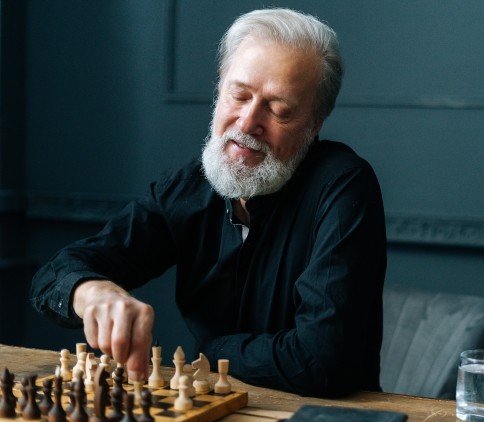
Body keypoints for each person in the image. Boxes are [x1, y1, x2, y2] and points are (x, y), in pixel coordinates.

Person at [29, 8, 386, 397]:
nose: (248, 123)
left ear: (314, 125)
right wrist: (93, 291)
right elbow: (52, 277)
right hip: (212, 414)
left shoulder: (344, 186)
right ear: (219, 91)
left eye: (278, 109)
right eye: (239, 94)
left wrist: (214, 351)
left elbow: (319, 361)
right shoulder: (187, 189)